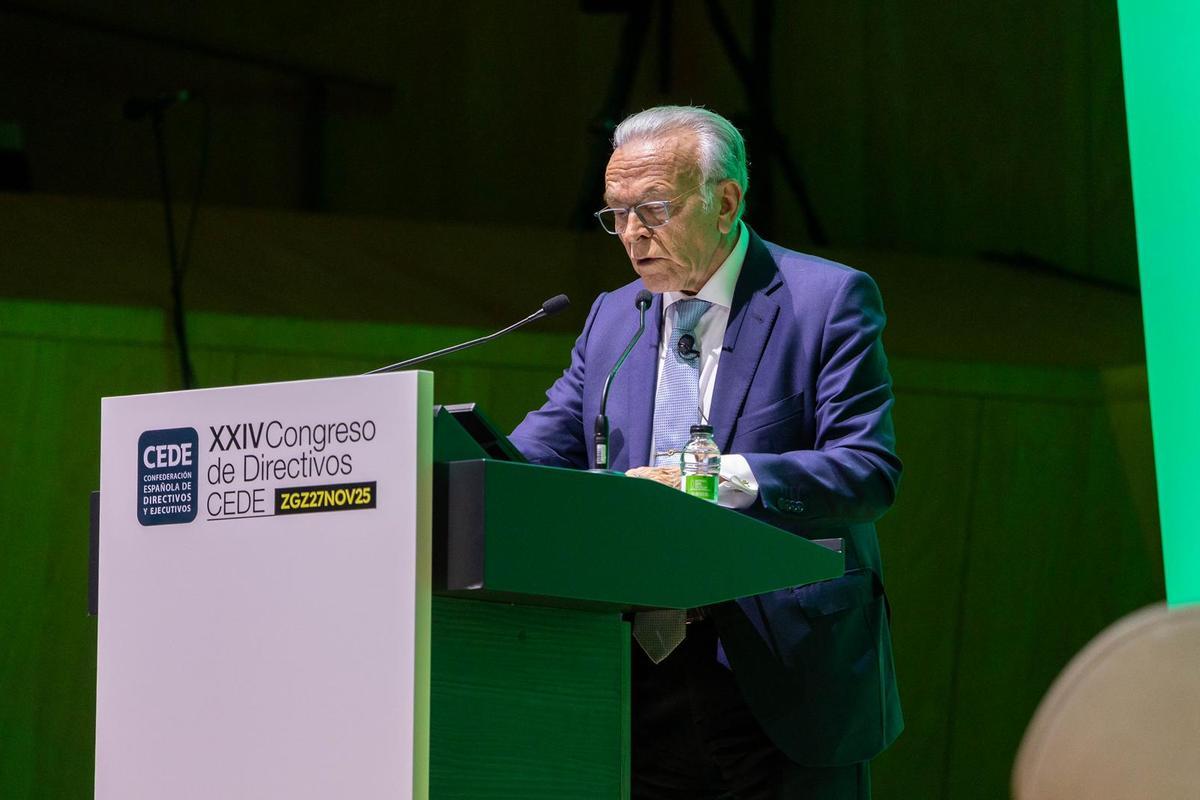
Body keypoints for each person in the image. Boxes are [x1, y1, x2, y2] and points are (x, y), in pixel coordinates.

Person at [509, 105, 902, 800]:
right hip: (637, 678)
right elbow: (532, 455)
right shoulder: (612, 317)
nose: (632, 235)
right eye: (616, 214)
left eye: (653, 209)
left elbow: (865, 471)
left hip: (783, 676)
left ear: (725, 202)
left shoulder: (826, 301)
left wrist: (707, 481)